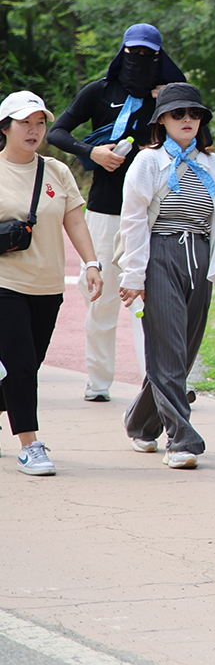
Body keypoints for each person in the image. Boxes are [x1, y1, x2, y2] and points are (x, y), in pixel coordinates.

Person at [48, 23, 186, 402]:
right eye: (133, 53)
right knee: (102, 297)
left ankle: (156, 383)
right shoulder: (100, 91)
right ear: (122, 51)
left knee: (152, 303)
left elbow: (196, 131)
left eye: (149, 55)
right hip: (106, 210)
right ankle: (98, 381)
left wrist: (166, 103)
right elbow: (56, 132)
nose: (139, 61)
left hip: (156, 214)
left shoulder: (170, 97)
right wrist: (92, 152)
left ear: (160, 57)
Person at [117, 83, 215, 469]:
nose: (187, 120)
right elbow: (134, 222)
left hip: (199, 257)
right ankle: (181, 440)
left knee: (181, 354)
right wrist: (134, 276)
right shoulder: (148, 163)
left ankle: (139, 423)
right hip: (161, 255)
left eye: (194, 114)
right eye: (177, 114)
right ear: (162, 122)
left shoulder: (213, 164)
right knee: (167, 351)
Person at [0, 91, 102, 474]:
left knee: (30, 362)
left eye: (40, 122)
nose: (34, 130)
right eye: (25, 122)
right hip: (5, 282)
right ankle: (30, 445)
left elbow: (74, 220)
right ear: (5, 127)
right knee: (21, 364)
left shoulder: (57, 171)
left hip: (47, 285)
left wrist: (92, 262)